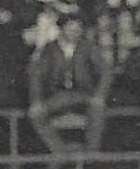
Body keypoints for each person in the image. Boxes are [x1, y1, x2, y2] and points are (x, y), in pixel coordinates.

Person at [26, 10, 109, 158]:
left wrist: (99, 96)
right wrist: (36, 101)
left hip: (83, 95)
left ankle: (91, 155)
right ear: (62, 29)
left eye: (78, 29)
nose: (74, 32)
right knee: (35, 114)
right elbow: (37, 76)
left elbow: (105, 72)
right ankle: (60, 153)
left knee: (98, 109)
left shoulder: (88, 47)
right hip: (58, 96)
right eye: (70, 28)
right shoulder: (50, 48)